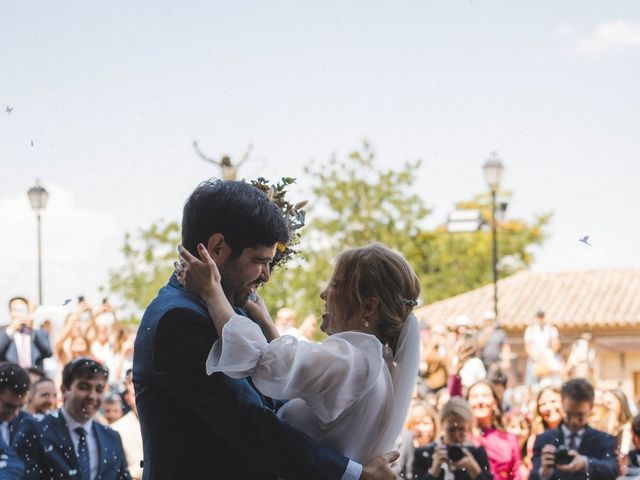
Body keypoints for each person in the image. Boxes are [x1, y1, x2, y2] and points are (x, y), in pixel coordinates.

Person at [133, 179, 399, 480]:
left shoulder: (226, 308)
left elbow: (274, 396)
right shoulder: (179, 319)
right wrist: (354, 476)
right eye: (259, 261)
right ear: (217, 247)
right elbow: (248, 423)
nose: (267, 276)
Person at [178, 241, 421, 464]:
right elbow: (294, 373)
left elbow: (260, 361)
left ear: (368, 307)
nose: (323, 294)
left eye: (335, 285)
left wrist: (211, 292)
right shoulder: (376, 364)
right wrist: (267, 324)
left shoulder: (353, 361)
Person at [13, 357, 131, 480]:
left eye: (99, 389)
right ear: (65, 390)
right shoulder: (35, 430)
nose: (92, 396)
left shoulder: (111, 437)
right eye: (84, 387)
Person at [530, 378, 618, 480]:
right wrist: (543, 473)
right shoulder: (543, 440)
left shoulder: (605, 440)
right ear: (562, 404)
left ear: (591, 407)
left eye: (580, 415)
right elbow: (533, 476)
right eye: (569, 414)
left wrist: (586, 463)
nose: (574, 421)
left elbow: (613, 470)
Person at [413, 397, 493, 480]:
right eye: (451, 429)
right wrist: (433, 471)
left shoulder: (476, 452)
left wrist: (475, 470)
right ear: (442, 425)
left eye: (461, 429)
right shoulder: (425, 453)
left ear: (468, 427)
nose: (456, 435)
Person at [466, 381, 521, 480]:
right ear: (467, 403)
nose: (480, 401)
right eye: (474, 396)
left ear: (495, 402)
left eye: (485, 395)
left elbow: (516, 475)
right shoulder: (461, 438)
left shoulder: (509, 439)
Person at [0, 296, 53, 369]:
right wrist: (12, 330)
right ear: (10, 313)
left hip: (34, 375)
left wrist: (32, 329)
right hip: (12, 376)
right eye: (17, 309)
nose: (20, 313)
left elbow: (48, 353)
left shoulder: (37, 331)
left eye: (23, 309)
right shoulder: (4, 331)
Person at [112, 370, 143, 480]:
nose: (142, 399)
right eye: (136, 394)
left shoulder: (167, 426)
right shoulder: (117, 430)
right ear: (127, 398)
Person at [523, 310, 562, 386]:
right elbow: (528, 346)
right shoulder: (530, 330)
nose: (541, 319)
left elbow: (556, 344)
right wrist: (537, 359)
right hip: (534, 360)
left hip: (548, 359)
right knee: (531, 385)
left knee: (551, 384)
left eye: (542, 316)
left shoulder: (551, 329)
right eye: (539, 317)